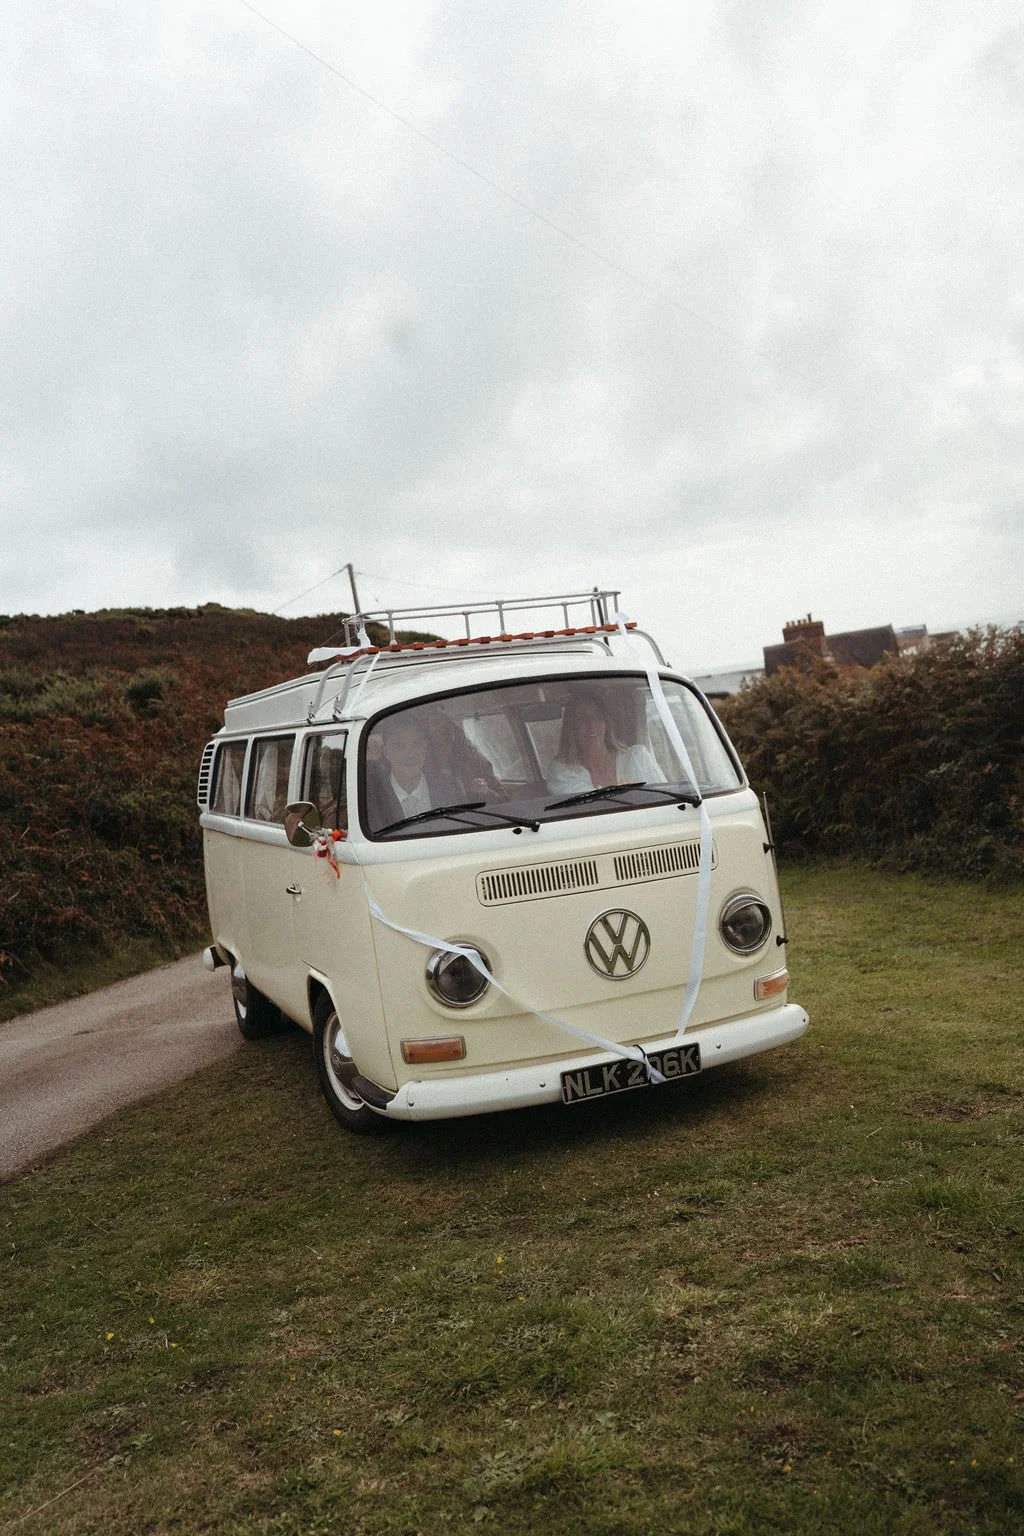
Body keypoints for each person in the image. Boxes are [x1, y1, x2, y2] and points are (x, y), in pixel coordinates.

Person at [546, 691, 664, 795]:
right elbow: (585, 807)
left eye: (597, 717)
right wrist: (625, 793)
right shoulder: (562, 771)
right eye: (582, 719)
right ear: (571, 727)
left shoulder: (637, 757)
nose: (591, 725)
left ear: (606, 723)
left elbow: (664, 797)